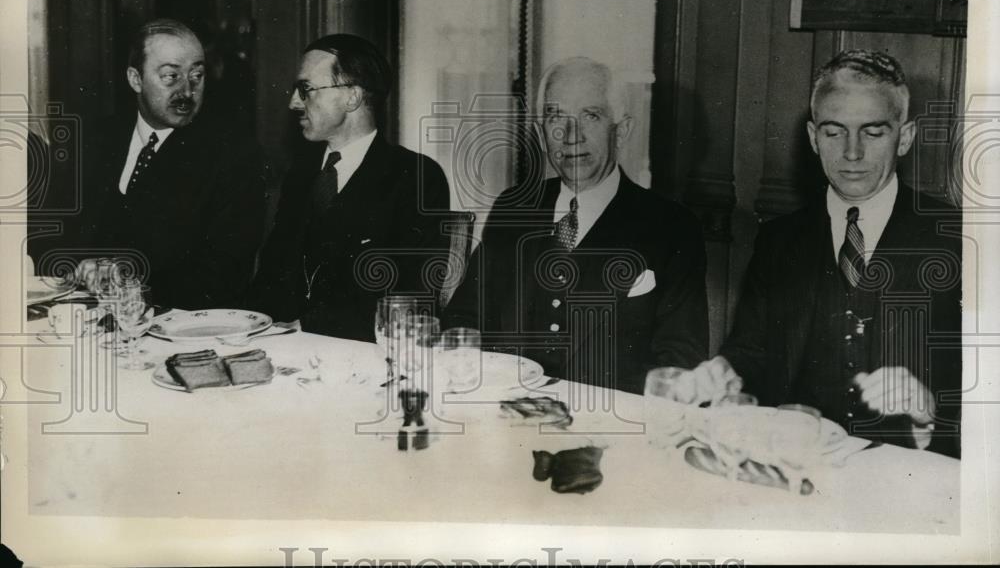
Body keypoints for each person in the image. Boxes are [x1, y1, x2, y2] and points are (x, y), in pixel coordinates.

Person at [691, 50, 962, 457]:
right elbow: (750, 351)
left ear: (904, 137)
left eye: (873, 132)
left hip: (909, 474)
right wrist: (726, 373)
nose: (852, 153)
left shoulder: (958, 240)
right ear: (813, 138)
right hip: (795, 463)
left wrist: (929, 413)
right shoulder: (779, 240)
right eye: (834, 132)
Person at [443, 56, 709, 394]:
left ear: (622, 130)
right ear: (541, 133)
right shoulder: (514, 207)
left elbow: (680, 360)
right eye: (556, 117)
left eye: (591, 116)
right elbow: (462, 318)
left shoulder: (671, 226)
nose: (571, 136)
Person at [249, 33, 451, 341]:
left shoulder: (417, 178)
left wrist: (305, 328)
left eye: (306, 89)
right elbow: (271, 275)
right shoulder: (300, 174)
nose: (293, 102)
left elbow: (409, 298)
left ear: (352, 97)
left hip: (362, 357)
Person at [70, 19, 267, 310]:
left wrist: (127, 282)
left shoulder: (233, 156)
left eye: (197, 76)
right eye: (171, 76)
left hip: (176, 327)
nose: (187, 91)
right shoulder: (95, 140)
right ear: (135, 79)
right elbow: (55, 237)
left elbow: (223, 276)